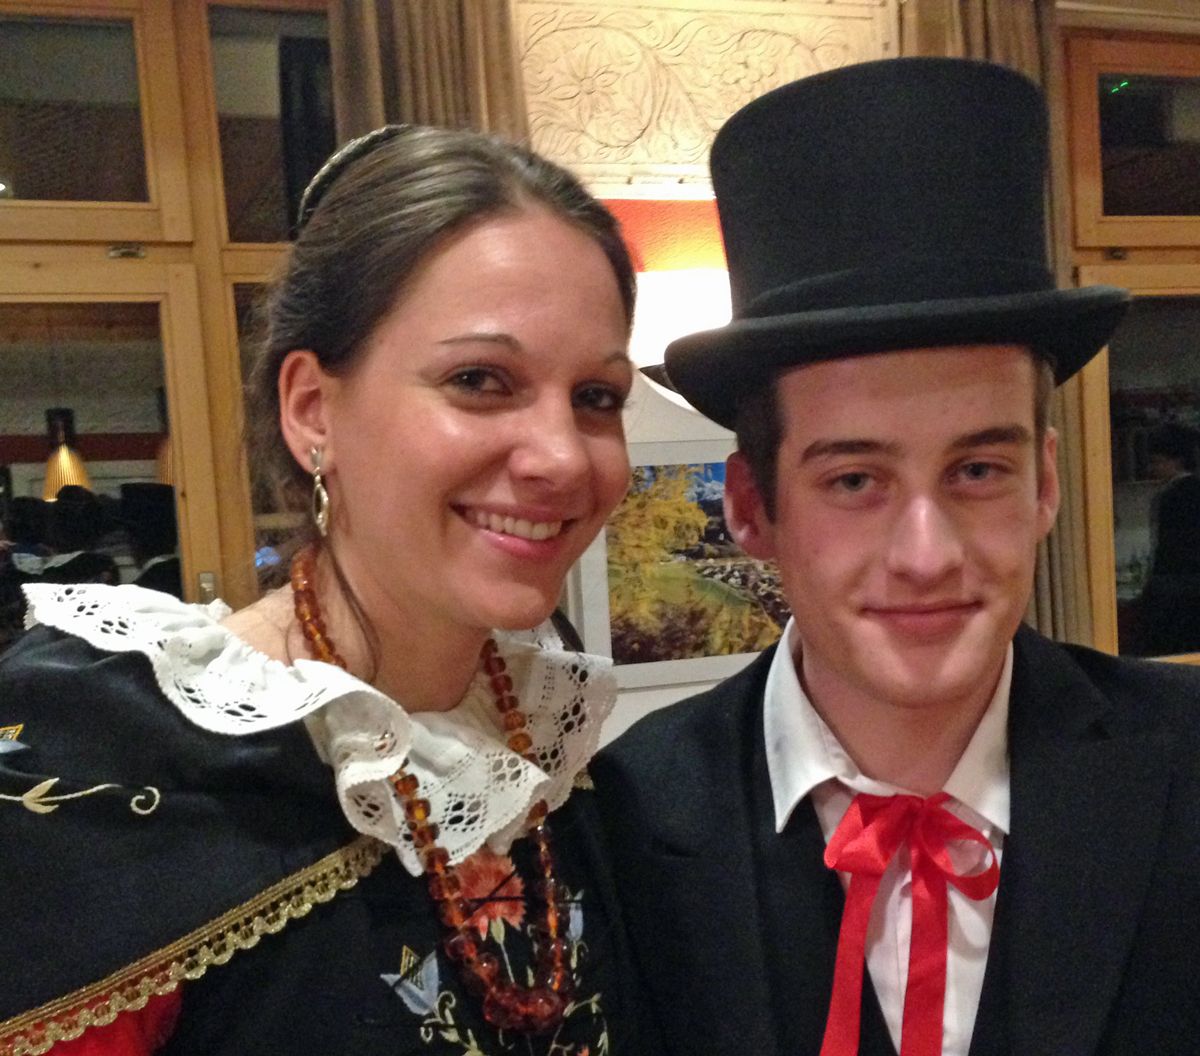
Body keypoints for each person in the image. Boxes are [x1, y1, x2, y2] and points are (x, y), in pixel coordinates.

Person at [592, 58, 1200, 1056]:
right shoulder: (623, 821)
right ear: (751, 507)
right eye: (854, 481)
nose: (927, 555)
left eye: (978, 470)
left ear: (1045, 483)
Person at [0, 125, 646, 1056]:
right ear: (312, 411)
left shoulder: (555, 743)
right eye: (479, 380)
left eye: (597, 397)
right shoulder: (111, 759)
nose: (562, 458)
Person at [1140, 422, 1200, 655]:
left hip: (1175, 594)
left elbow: (1167, 552)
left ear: (1176, 461)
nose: (1153, 469)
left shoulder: (1170, 497)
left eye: (1157, 462)